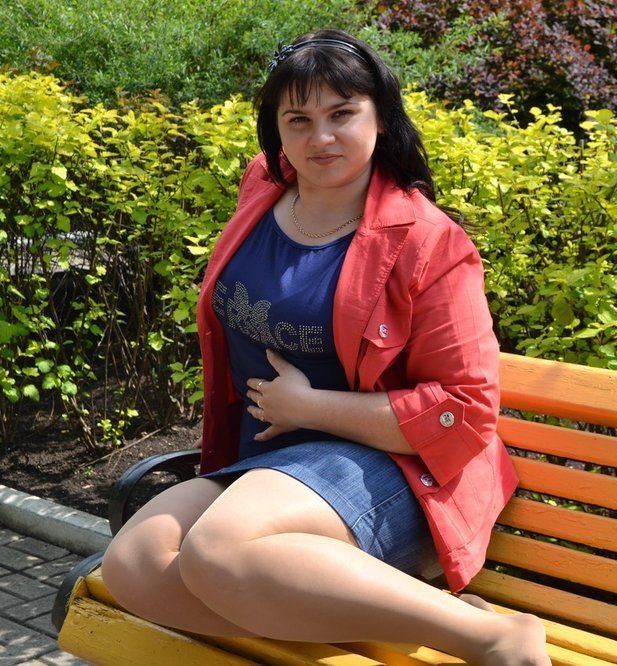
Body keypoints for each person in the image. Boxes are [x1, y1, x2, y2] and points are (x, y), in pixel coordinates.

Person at [101, 29, 549, 665]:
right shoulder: (264, 186)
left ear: (381, 116)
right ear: (276, 129)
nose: (322, 139)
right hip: (272, 467)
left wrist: (310, 408)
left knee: (217, 552)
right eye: (299, 120)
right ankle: (396, 611)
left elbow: (466, 410)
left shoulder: (429, 243)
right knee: (136, 563)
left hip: (392, 470)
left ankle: (496, 637)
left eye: (342, 114)